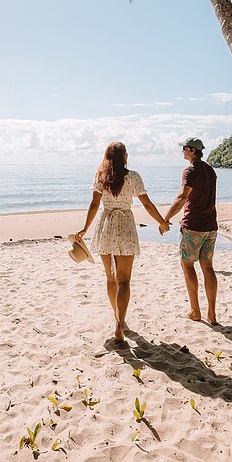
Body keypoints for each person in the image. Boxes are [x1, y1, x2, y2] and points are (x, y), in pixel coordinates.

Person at [74, 142, 169, 342]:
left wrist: (85, 228)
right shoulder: (133, 177)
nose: (128, 155)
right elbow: (147, 204)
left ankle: (118, 319)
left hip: (106, 224)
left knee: (111, 279)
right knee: (124, 280)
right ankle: (119, 324)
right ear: (123, 156)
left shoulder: (101, 176)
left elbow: (94, 204)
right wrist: (161, 221)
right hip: (125, 223)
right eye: (126, 153)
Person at [163, 138, 218, 325]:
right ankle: (212, 314)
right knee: (208, 267)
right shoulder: (210, 170)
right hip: (211, 226)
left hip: (194, 225)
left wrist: (165, 218)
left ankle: (195, 311)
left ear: (192, 150)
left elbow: (181, 197)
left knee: (187, 265)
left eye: (184, 149)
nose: (182, 152)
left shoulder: (190, 170)